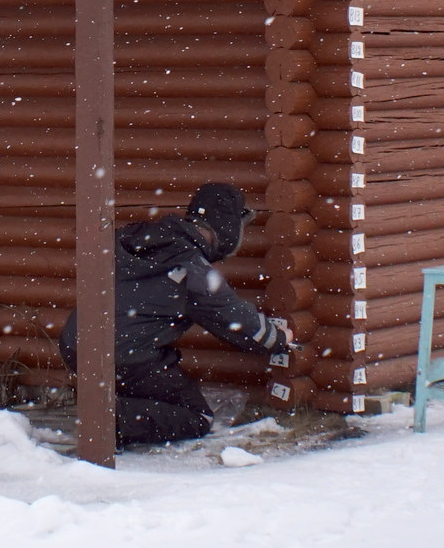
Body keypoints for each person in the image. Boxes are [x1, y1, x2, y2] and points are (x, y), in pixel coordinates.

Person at [60, 182, 292, 448]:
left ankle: (109, 406)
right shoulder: (191, 268)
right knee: (198, 416)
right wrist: (279, 339)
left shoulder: (143, 238)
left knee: (151, 368)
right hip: (124, 357)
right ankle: (113, 420)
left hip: (77, 344)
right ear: (227, 228)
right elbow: (238, 322)